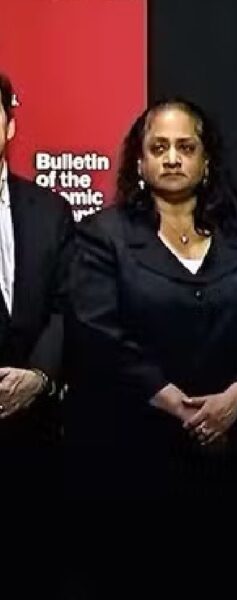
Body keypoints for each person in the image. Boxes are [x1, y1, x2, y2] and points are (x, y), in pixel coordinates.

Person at [66, 97, 237, 598]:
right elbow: (97, 331)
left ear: (206, 160)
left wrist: (236, 396)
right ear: (140, 162)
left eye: (185, 147)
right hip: (136, 461)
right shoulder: (104, 236)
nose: (172, 158)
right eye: (159, 148)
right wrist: (174, 403)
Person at [0, 72, 74, 596]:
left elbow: (70, 306)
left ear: (9, 124)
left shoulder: (51, 210)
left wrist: (40, 376)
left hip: (37, 441)